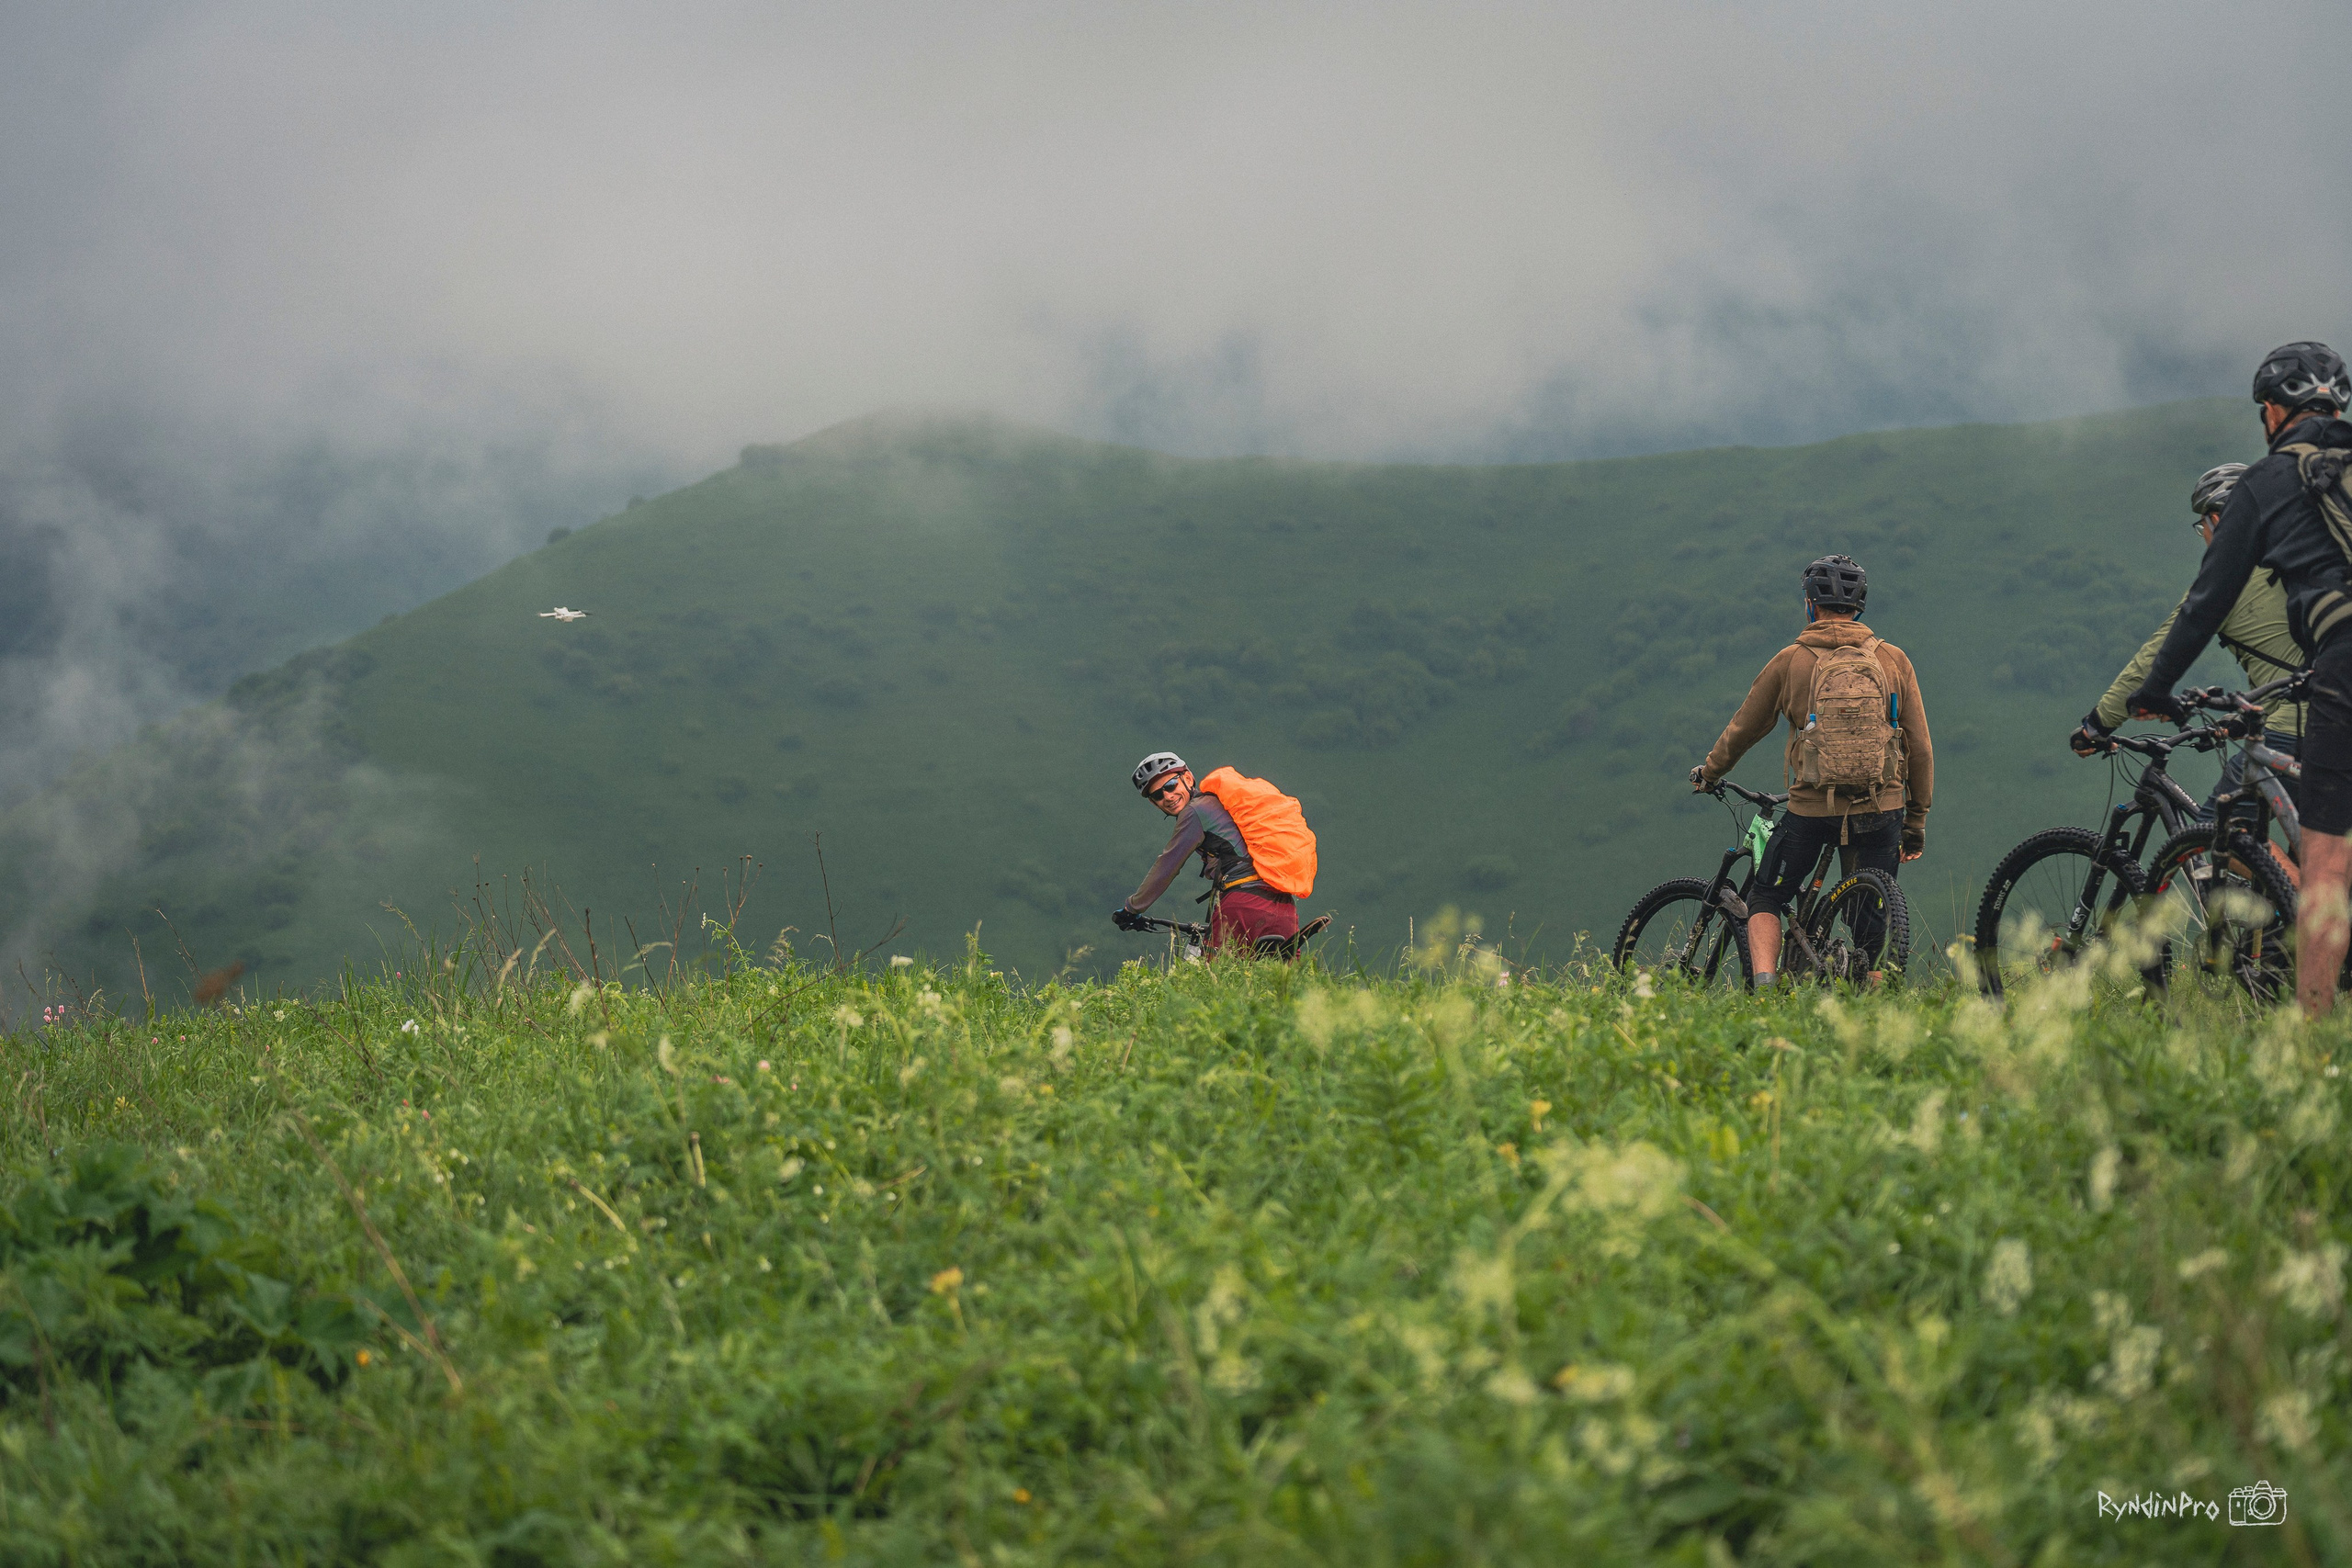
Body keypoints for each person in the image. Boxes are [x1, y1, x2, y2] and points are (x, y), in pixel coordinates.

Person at [2124, 341, 2352, 1018]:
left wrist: (2154, 691)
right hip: (2325, 669)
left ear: (2274, 410)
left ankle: (2311, 1043)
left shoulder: (2267, 481)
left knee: (2326, 863)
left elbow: (2204, 604)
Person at [1690, 555, 1933, 988]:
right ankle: (1875, 1009)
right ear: (1860, 606)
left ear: (1810, 604)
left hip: (1812, 810)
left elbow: (1744, 729)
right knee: (1870, 918)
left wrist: (1710, 773)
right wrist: (1915, 822)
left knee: (1766, 895)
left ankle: (1764, 991)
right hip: (1883, 808)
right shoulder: (1894, 660)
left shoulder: (1790, 661)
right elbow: (1920, 749)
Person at [2075, 463, 2305, 850]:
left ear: (2218, 519)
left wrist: (2097, 725)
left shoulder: (2231, 572)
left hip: (2302, 720)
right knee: (2322, 847)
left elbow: (2157, 654)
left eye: (2203, 527)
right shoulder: (2306, 556)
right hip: (2335, 711)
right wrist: (2237, 720)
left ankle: (2294, 902)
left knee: (2220, 837)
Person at [1113, 752, 1301, 953]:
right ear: (1153, 802)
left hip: (1242, 903)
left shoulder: (1194, 812)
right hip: (1283, 905)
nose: (1167, 796)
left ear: (1187, 778)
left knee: (1219, 977)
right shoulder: (1218, 803)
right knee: (1281, 978)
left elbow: (1167, 865)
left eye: (1170, 785)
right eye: (1158, 795)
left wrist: (1132, 909)